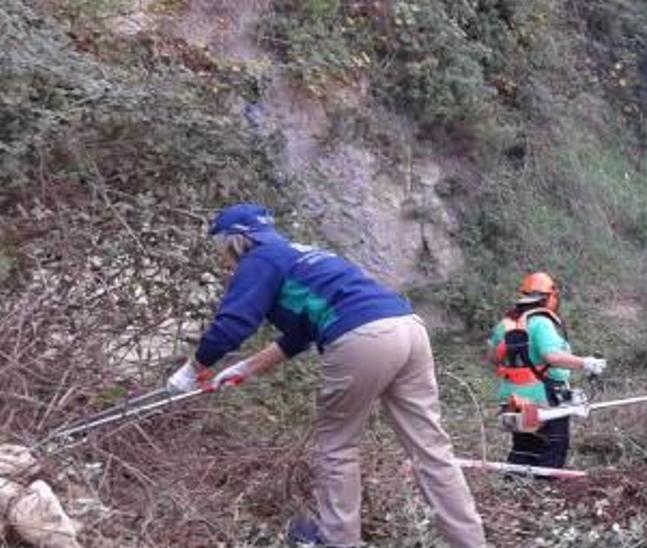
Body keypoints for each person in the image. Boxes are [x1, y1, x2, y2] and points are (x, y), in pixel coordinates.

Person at [165, 203, 486, 546]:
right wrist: (246, 368)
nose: (221, 260)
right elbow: (301, 333)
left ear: (235, 241)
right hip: (408, 328)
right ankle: (470, 541)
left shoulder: (259, 259)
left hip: (363, 338)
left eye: (219, 248)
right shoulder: (299, 255)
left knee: (336, 447)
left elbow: (233, 324)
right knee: (430, 449)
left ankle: (338, 541)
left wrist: (190, 370)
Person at [485, 272, 606, 470]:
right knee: (554, 444)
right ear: (549, 297)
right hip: (543, 395)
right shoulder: (541, 322)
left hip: (514, 395)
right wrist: (586, 363)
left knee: (525, 444)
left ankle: (515, 484)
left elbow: (492, 358)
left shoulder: (506, 323)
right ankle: (545, 486)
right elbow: (552, 356)